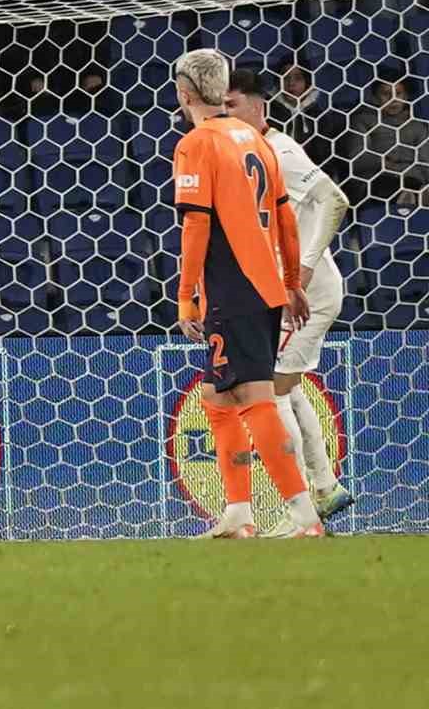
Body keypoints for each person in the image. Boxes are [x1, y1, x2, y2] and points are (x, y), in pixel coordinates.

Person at [171, 48, 323, 539]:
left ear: (185, 93)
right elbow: (283, 216)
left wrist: (186, 295)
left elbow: (196, 223)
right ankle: (238, 511)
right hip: (265, 281)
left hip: (231, 285)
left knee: (254, 396)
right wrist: (293, 284)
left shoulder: (197, 142)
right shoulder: (257, 139)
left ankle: (303, 514)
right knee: (218, 398)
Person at [223, 70, 356, 525]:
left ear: (260, 106)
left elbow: (334, 199)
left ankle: (299, 511)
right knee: (288, 389)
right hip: (293, 293)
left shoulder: (280, 151)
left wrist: (304, 266)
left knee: (270, 390)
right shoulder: (251, 152)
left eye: (234, 104)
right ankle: (324, 489)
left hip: (308, 294)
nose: (226, 113)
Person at [344, 77, 429, 207]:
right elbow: (357, 158)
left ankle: (413, 196)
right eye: (385, 94)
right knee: (385, 186)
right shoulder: (363, 120)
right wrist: (383, 162)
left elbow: (425, 163)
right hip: (377, 179)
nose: (393, 99)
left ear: (406, 97)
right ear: (374, 97)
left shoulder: (417, 126)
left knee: (413, 185)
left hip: (412, 179)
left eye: (398, 93)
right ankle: (411, 198)